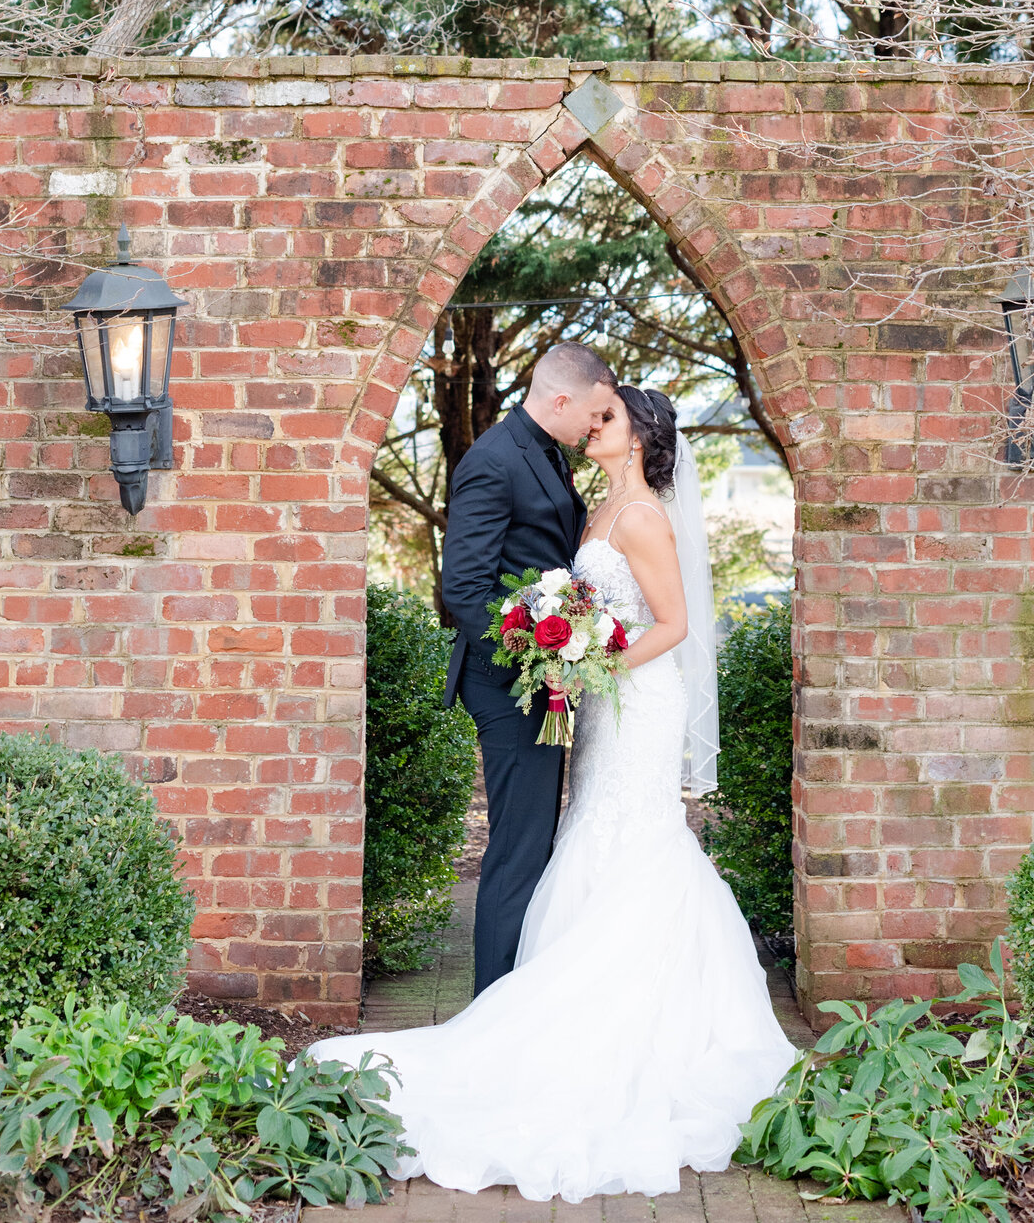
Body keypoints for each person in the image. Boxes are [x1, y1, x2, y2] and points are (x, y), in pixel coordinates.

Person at [314, 384, 796, 1202]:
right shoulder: (595, 510)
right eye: (593, 416)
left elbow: (673, 624)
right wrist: (572, 654)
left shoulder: (641, 516)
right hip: (598, 700)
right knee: (583, 835)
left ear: (639, 437)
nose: (592, 429)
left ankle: (636, 1026)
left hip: (635, 702)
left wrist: (593, 665)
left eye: (607, 421)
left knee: (635, 837)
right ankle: (541, 1014)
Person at [439, 342, 618, 995]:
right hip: (506, 685)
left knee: (532, 848)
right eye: (594, 414)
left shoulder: (543, 454)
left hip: (539, 683)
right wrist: (537, 655)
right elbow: (463, 591)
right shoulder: (493, 460)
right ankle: (491, 1010)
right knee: (516, 856)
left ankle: (514, 1000)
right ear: (561, 397)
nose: (595, 428)